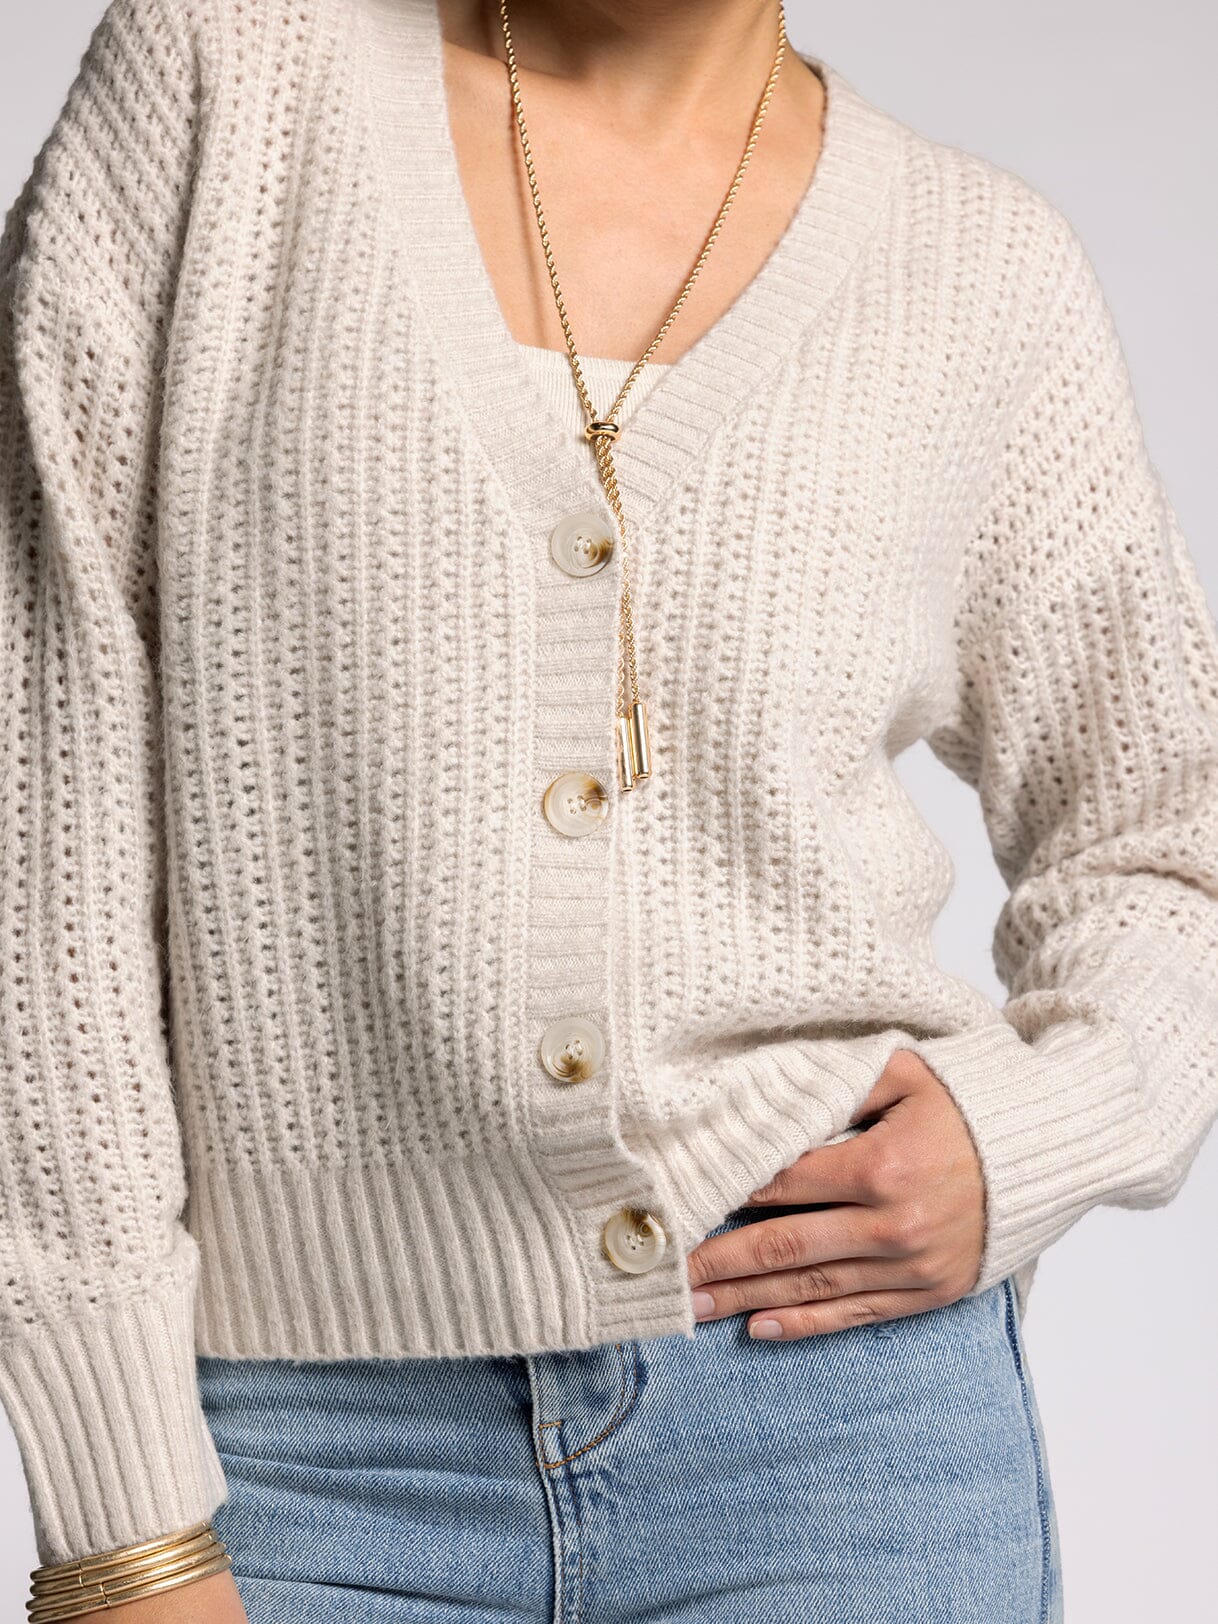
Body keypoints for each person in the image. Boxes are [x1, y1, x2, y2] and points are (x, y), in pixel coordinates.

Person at [2, 0, 1215, 1618]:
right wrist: (122, 1529)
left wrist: (1037, 1130)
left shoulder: (979, 269)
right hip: (293, 1460)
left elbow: (1166, 839)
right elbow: (39, 838)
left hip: (838, 1438)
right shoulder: (227, 85)